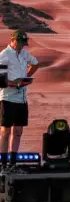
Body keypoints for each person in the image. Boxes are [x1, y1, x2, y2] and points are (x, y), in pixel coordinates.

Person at [0, 30, 39, 171]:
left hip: (22, 99)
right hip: (8, 98)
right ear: (13, 40)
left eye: (24, 43)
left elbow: (35, 63)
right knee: (5, 131)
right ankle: (3, 163)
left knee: (18, 131)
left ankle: (13, 162)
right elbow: (1, 80)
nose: (22, 45)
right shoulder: (4, 55)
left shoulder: (24, 53)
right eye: (20, 42)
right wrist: (15, 83)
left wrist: (25, 77)